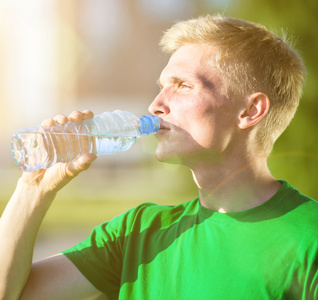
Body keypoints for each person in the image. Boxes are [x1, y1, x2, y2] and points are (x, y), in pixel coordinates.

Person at [0, 13, 316, 300]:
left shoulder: (309, 238)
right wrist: (34, 189)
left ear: (250, 111)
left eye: (182, 86)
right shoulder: (137, 233)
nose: (156, 105)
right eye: (161, 86)